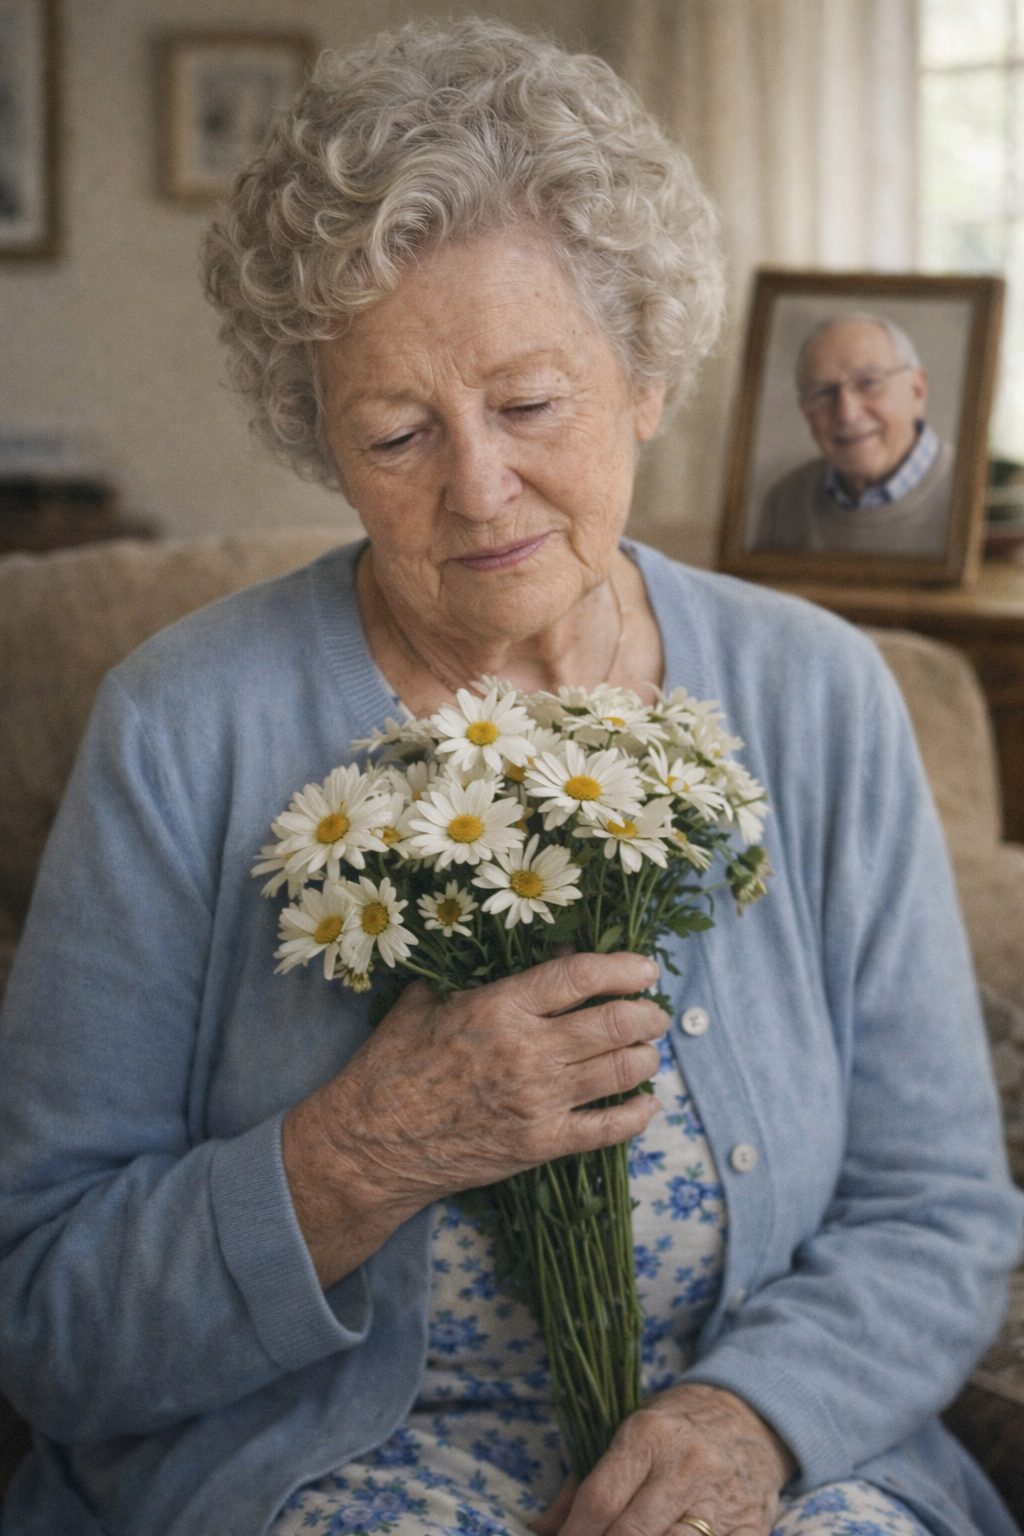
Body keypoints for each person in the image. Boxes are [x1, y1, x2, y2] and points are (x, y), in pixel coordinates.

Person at [0, 19, 1020, 1536]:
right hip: (323, 1475)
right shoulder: (181, 727)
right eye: (397, 431)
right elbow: (47, 1310)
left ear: (648, 376)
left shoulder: (817, 696)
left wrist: (746, 1423)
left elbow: (937, 1215)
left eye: (531, 406)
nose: (478, 489)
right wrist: (370, 1143)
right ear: (319, 439)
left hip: (773, 1478)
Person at [755, 315, 955, 556]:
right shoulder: (786, 501)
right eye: (824, 393)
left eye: (869, 383)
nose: (846, 414)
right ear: (806, 412)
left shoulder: (976, 494)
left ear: (917, 390)